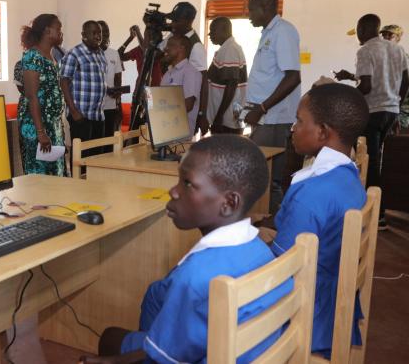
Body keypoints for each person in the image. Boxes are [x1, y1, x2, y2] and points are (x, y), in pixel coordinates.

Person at [81, 135, 292, 364]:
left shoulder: (194, 277)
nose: (173, 191)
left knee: (110, 337)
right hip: (245, 351)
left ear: (228, 203)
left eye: (187, 183)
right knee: (156, 293)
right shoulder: (261, 250)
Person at [270, 83, 369, 358]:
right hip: (330, 295)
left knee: (195, 291)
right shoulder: (348, 175)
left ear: (323, 132)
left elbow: (283, 266)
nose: (293, 128)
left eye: (299, 121)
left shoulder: (311, 194)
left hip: (308, 311)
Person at [334, 14, 408, 228]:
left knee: (368, 162)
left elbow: (366, 87)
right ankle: (377, 211)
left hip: (372, 112)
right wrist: (396, 104)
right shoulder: (397, 49)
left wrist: (348, 100)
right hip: (391, 112)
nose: (357, 33)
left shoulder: (365, 50)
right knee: (377, 161)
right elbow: (405, 82)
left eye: (358, 28)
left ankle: (376, 215)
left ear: (365, 28)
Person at [244, 0, 302, 214]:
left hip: (274, 117)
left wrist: (262, 108)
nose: (248, 14)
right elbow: (269, 77)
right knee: (263, 177)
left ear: (266, 7)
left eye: (251, 9)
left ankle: (275, 232)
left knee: (267, 179)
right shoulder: (268, 32)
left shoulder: (283, 32)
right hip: (264, 115)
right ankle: (269, 225)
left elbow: (293, 77)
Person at [18, 14, 66, 176]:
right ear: (47, 31)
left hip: (52, 125)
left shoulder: (52, 56)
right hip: (36, 125)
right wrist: (40, 132)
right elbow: (32, 96)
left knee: (55, 173)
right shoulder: (33, 56)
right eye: (58, 29)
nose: (61, 33)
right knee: (39, 175)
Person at [61, 21, 107, 155]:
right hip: (81, 116)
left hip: (98, 115)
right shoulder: (74, 54)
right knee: (80, 157)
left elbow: (96, 80)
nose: (98, 36)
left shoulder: (100, 53)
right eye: (94, 33)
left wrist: (108, 90)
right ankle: (78, 177)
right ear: (84, 35)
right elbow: (64, 82)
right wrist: (74, 112)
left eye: (100, 33)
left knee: (97, 157)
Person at [165, 2, 209, 134]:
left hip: (185, 113)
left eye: (175, 20)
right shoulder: (174, 38)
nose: (172, 23)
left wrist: (202, 114)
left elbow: (203, 81)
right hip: (170, 113)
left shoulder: (196, 46)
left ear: (187, 21)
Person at [207, 17, 247, 134]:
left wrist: (219, 116)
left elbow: (231, 84)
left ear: (224, 30)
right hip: (226, 118)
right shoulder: (227, 48)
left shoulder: (230, 49)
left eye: (213, 30)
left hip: (227, 119)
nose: (210, 34)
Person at [160, 35, 202, 135]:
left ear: (182, 48)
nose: (166, 48)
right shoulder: (168, 73)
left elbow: (188, 105)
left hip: (180, 135)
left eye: (170, 45)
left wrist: (160, 111)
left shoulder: (190, 72)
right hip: (164, 129)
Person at [98, 21, 123, 142]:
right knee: (96, 140)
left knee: (109, 139)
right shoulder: (90, 53)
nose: (105, 34)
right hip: (94, 106)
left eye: (107, 31)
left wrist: (118, 102)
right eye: (102, 31)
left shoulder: (114, 53)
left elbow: (118, 79)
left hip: (110, 105)